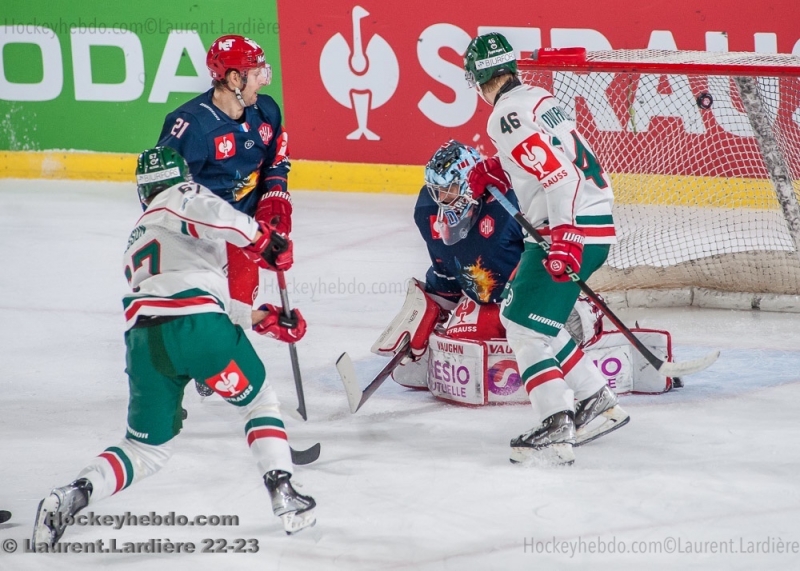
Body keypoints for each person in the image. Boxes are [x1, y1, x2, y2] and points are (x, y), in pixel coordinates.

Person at [32, 147, 316, 548]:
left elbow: (181, 293)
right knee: (258, 403)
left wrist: (262, 318)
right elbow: (215, 217)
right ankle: (283, 490)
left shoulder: (137, 237)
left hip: (146, 343)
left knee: (145, 449)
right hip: (199, 331)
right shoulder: (180, 196)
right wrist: (262, 239)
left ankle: (74, 494)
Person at [462, 32, 629, 465]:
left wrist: (566, 236)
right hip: (591, 223)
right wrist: (502, 169)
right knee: (537, 319)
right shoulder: (537, 97)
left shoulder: (503, 115)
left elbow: (561, 177)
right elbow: (550, 161)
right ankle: (595, 399)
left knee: (521, 326)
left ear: (478, 80)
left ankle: (556, 421)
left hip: (569, 227)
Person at [157, 34, 293, 331]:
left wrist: (274, 197)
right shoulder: (191, 125)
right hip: (200, 243)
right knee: (205, 316)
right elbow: (161, 193)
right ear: (234, 79)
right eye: (256, 74)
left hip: (246, 234)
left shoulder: (266, 111)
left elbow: (276, 158)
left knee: (237, 315)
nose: (263, 81)